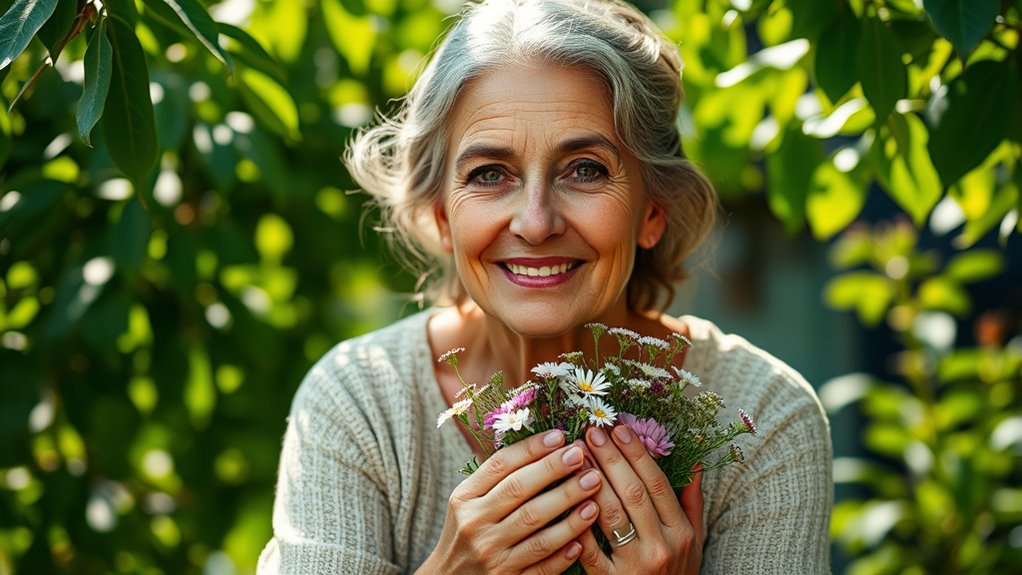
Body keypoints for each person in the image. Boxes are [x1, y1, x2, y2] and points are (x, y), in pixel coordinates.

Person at [257, 0, 832, 573]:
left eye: (585, 169)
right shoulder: (361, 403)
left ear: (653, 209)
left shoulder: (765, 420)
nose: (535, 223)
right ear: (440, 216)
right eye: (489, 174)